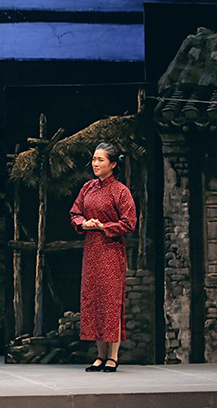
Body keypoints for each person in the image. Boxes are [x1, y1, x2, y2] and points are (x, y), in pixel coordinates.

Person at [70, 142, 136, 373]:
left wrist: (103, 226)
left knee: (110, 301)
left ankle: (113, 356)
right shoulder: (88, 187)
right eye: (94, 159)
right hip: (92, 250)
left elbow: (129, 223)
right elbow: (75, 212)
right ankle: (100, 355)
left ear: (113, 164)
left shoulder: (120, 191)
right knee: (95, 300)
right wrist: (83, 223)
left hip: (111, 251)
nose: (95, 164)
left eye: (101, 160)